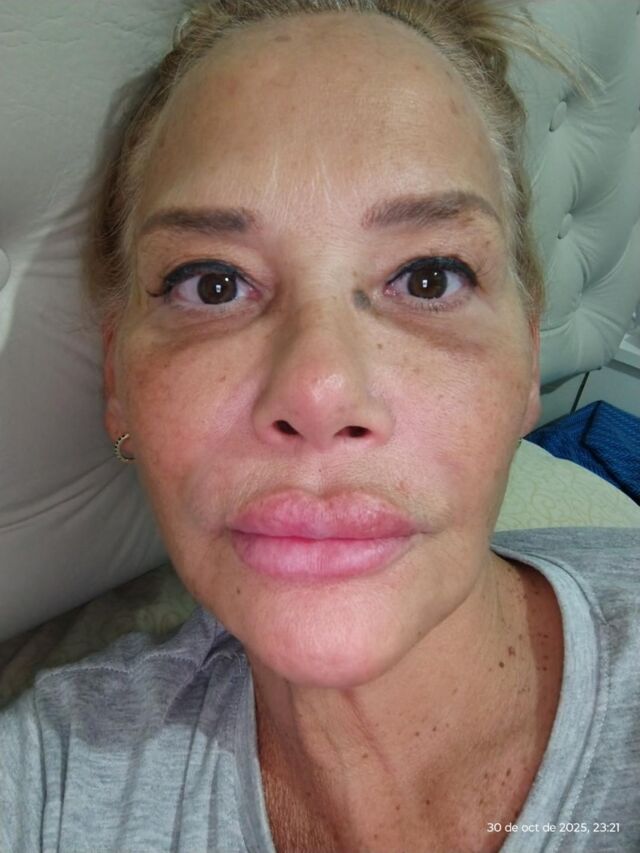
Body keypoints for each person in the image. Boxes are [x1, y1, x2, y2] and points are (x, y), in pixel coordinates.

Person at [2, 1, 639, 850]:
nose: (318, 391)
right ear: (117, 376)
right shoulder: (54, 775)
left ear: (526, 358)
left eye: (429, 277)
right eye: (213, 284)